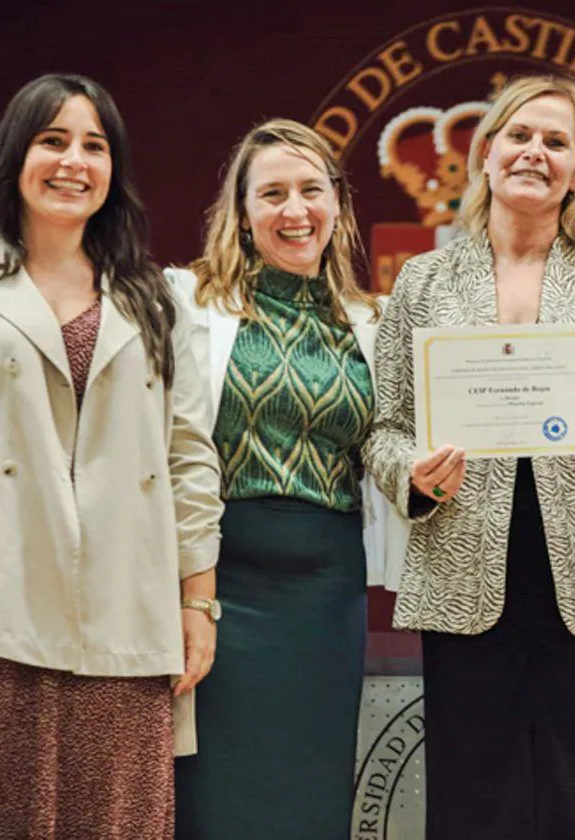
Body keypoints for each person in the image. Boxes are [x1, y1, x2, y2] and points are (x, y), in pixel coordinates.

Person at [0, 73, 223, 838]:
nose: (74, 162)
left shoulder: (151, 297)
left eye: (94, 146)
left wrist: (197, 602)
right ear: (14, 155)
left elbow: (190, 458)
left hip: (124, 623)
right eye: (53, 140)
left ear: (115, 170)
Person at [362, 74, 575, 840]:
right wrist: (410, 472)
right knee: (477, 800)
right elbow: (384, 427)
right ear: (487, 152)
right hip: (466, 571)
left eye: (557, 141)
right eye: (520, 135)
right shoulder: (424, 279)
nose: (535, 152)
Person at [168, 118, 406, 839]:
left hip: (326, 593)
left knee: (309, 795)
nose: (294, 210)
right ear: (241, 213)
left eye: (311, 190)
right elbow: (73, 288)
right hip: (215, 586)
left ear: (339, 204)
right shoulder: (182, 301)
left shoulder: (376, 321)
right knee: (213, 796)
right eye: (272, 194)